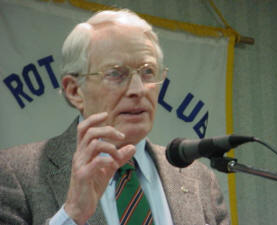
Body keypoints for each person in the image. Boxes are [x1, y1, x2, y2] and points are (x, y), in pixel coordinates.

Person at [0, 9, 230, 225]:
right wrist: (72, 215)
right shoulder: (15, 173)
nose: (138, 90)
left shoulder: (199, 180)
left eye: (148, 72)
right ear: (74, 90)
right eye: (116, 74)